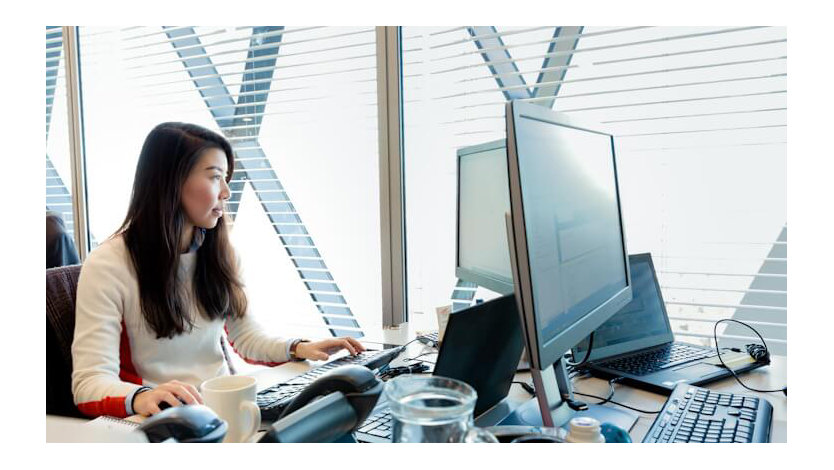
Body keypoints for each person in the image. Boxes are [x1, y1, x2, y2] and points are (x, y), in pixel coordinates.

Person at [71, 122, 364, 418]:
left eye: (226, 178)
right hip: (161, 419)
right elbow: (89, 383)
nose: (225, 191)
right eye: (214, 177)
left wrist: (300, 347)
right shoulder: (108, 264)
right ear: (171, 182)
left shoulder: (220, 254)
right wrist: (142, 397)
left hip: (223, 410)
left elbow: (246, 338)